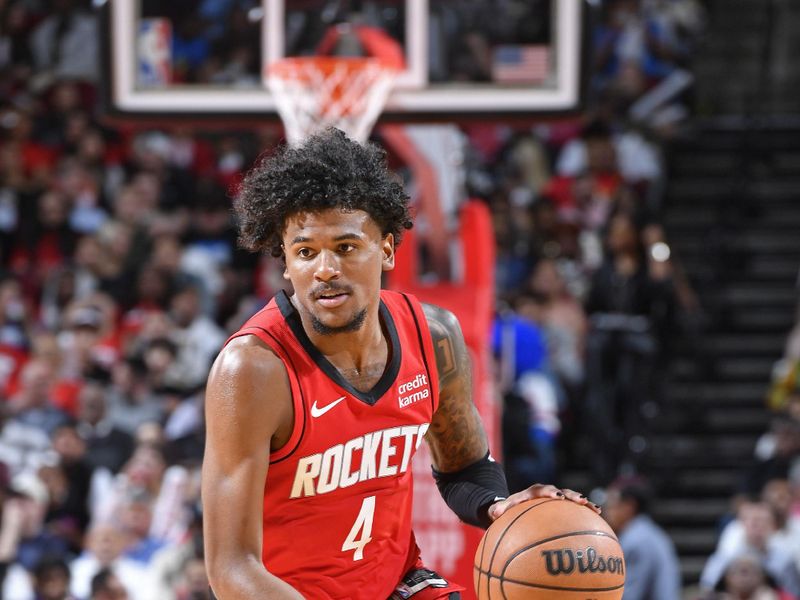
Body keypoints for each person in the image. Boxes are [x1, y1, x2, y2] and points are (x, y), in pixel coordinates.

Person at [201, 128, 598, 600]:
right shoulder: (252, 370)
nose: (325, 268)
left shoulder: (433, 337)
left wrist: (500, 507)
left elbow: (465, 468)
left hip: (396, 585)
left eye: (346, 247)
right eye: (305, 252)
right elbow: (231, 569)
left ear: (386, 248)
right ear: (286, 262)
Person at [603, 477, 681, 600]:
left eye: (611, 504)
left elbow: (626, 596)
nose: (607, 511)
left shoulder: (636, 540)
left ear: (629, 506)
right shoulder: (648, 532)